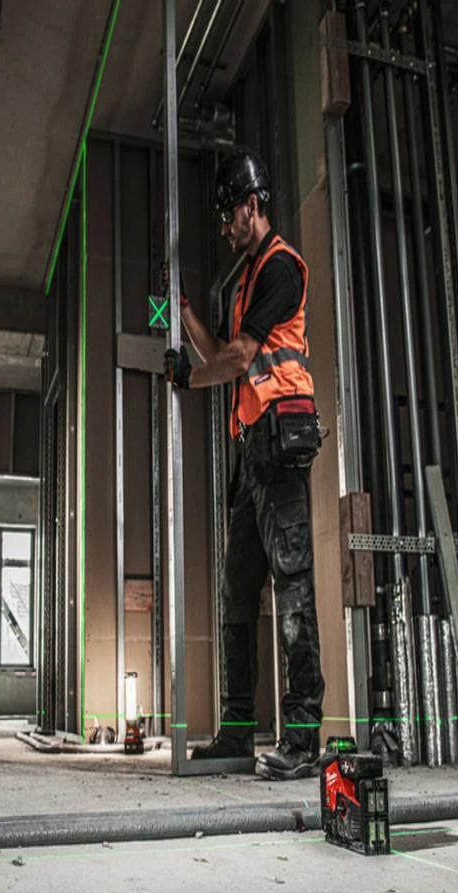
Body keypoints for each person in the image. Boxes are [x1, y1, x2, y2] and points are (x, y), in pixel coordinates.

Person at [162, 146, 325, 780]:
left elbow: (236, 360)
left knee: (293, 590)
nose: (225, 226)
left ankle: (304, 737)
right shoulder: (247, 280)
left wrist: (189, 377)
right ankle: (235, 732)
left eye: (229, 215)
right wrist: (185, 318)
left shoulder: (282, 266)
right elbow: (225, 350)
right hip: (251, 456)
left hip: (281, 447)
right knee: (236, 597)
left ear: (251, 207)